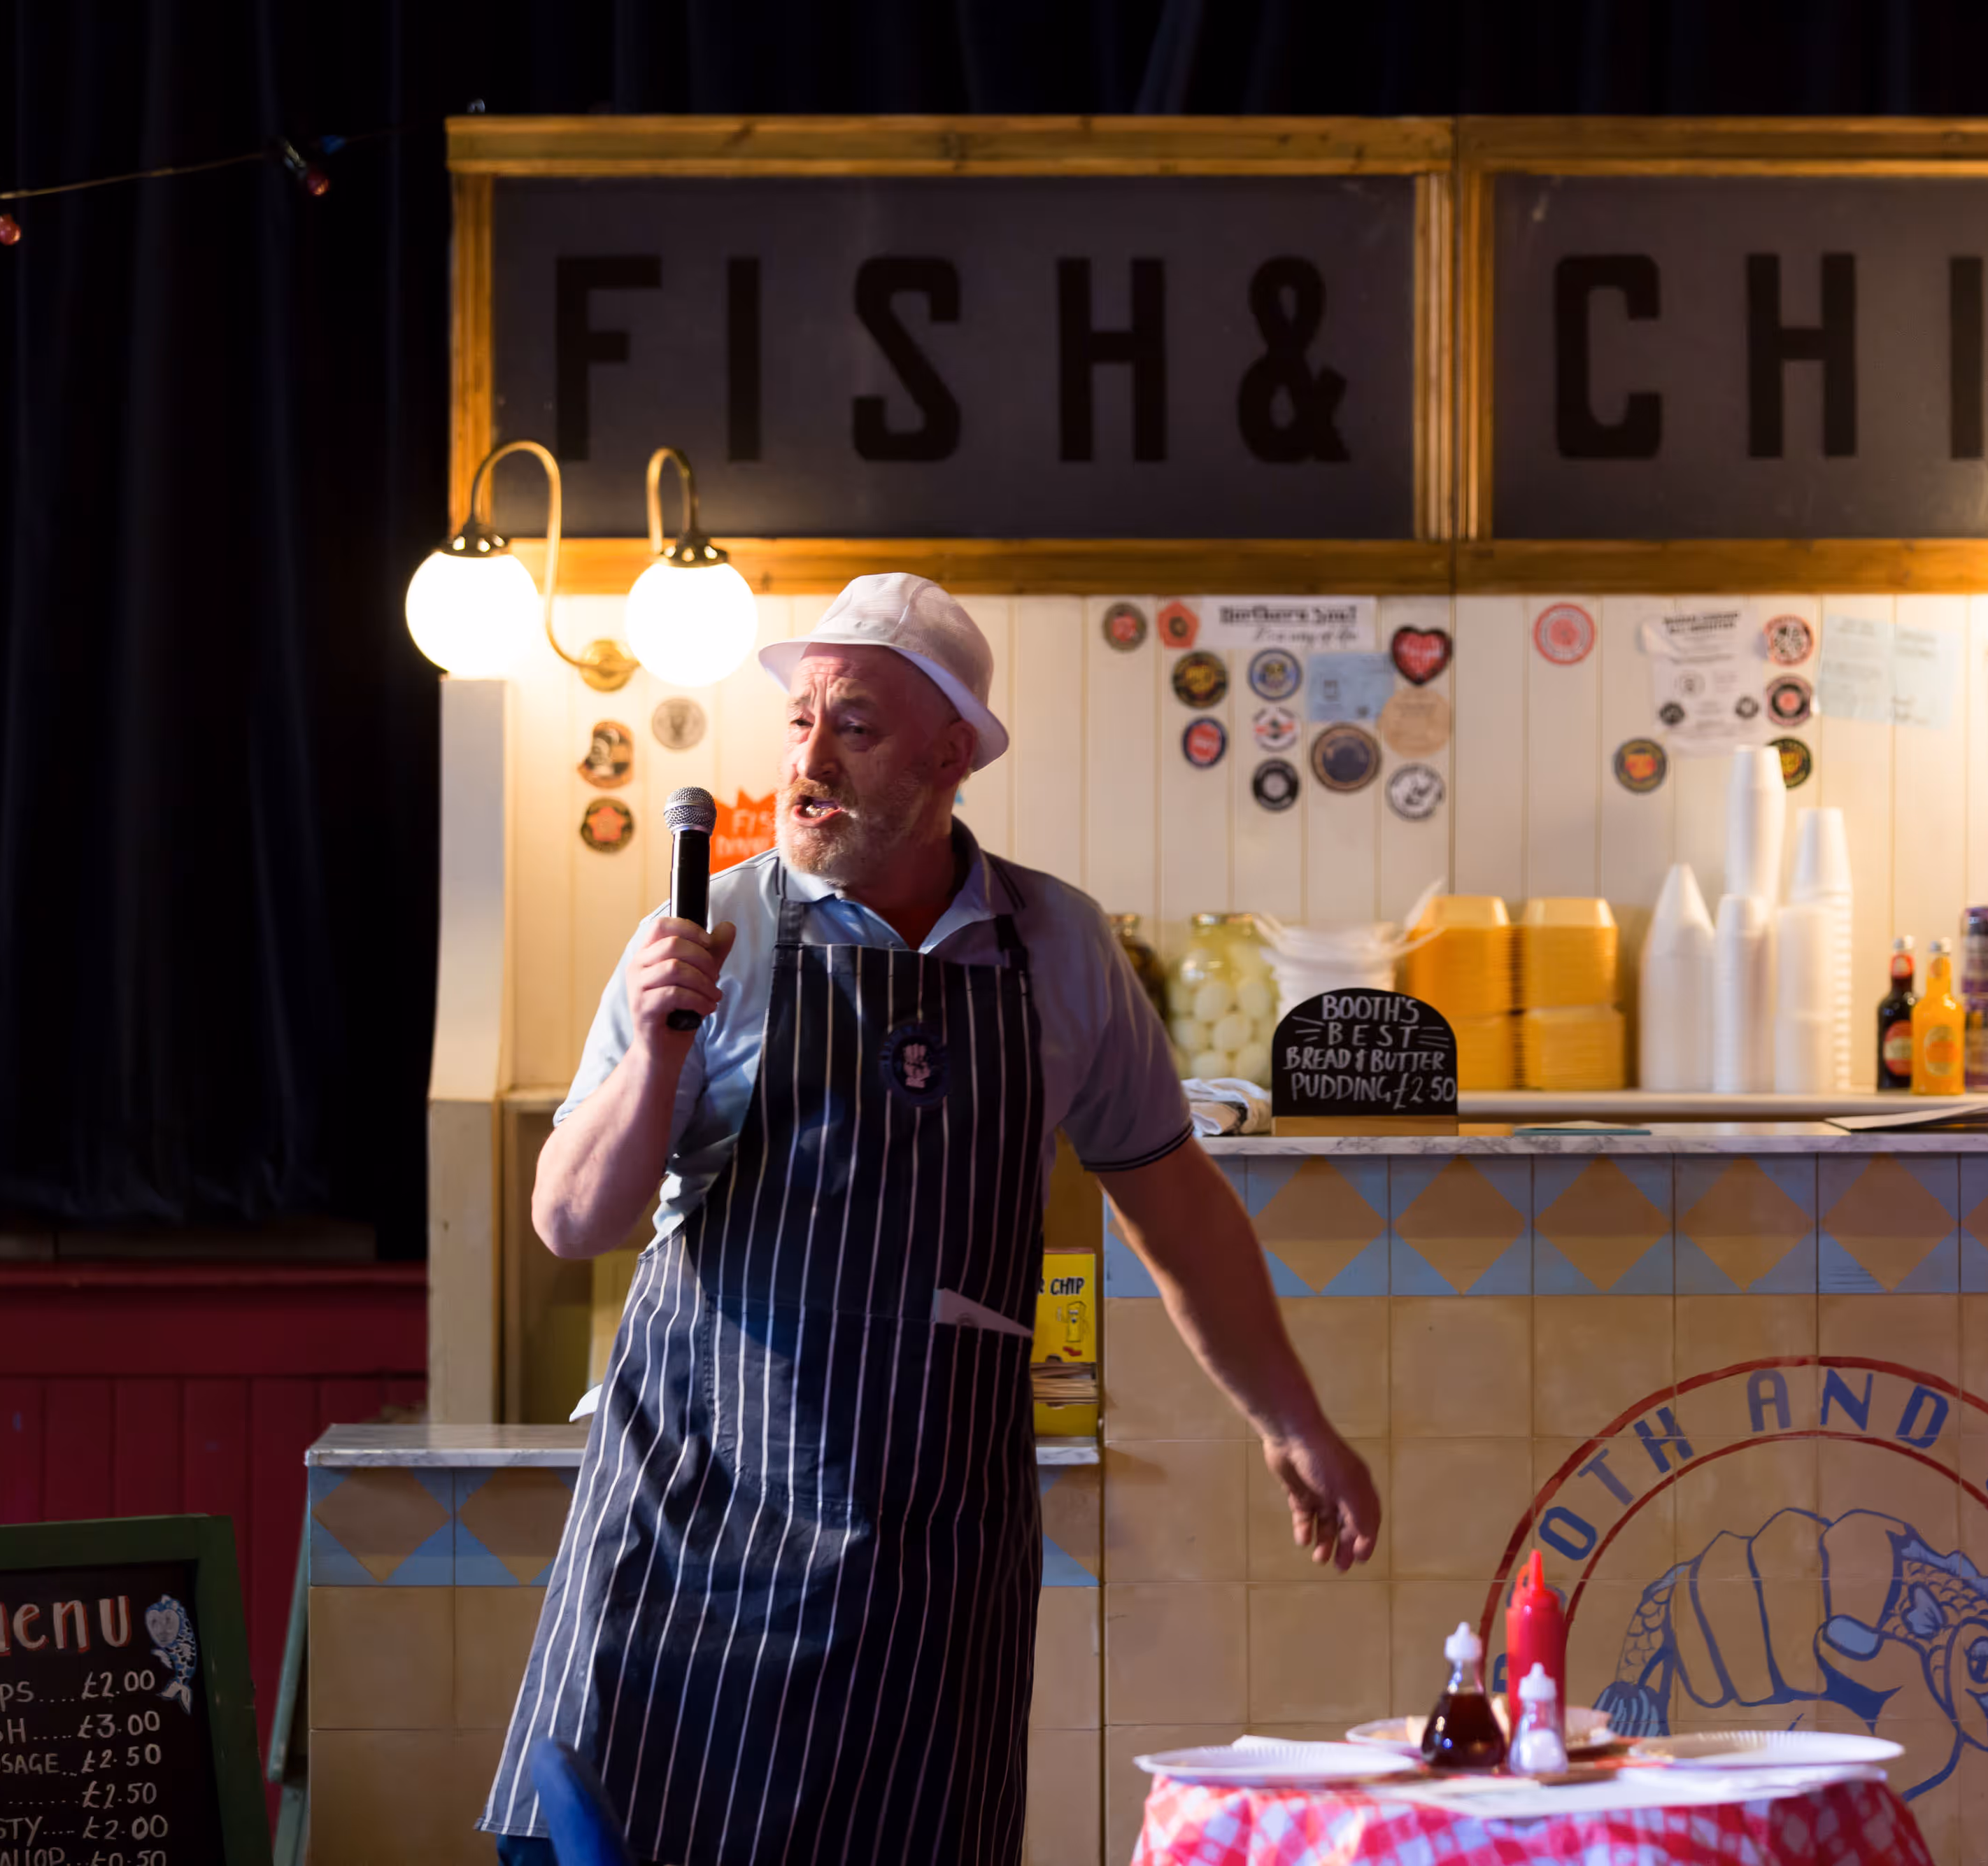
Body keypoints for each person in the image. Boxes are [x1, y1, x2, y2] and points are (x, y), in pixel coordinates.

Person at [478, 573, 1380, 1866]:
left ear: (952, 751)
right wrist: (655, 1062)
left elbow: (1178, 1206)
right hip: (692, 1555)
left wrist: (1293, 1420)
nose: (809, 757)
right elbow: (571, 1219)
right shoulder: (707, 932)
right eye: (798, 722)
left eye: (855, 724)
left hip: (925, 1581)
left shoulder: (1059, 947)